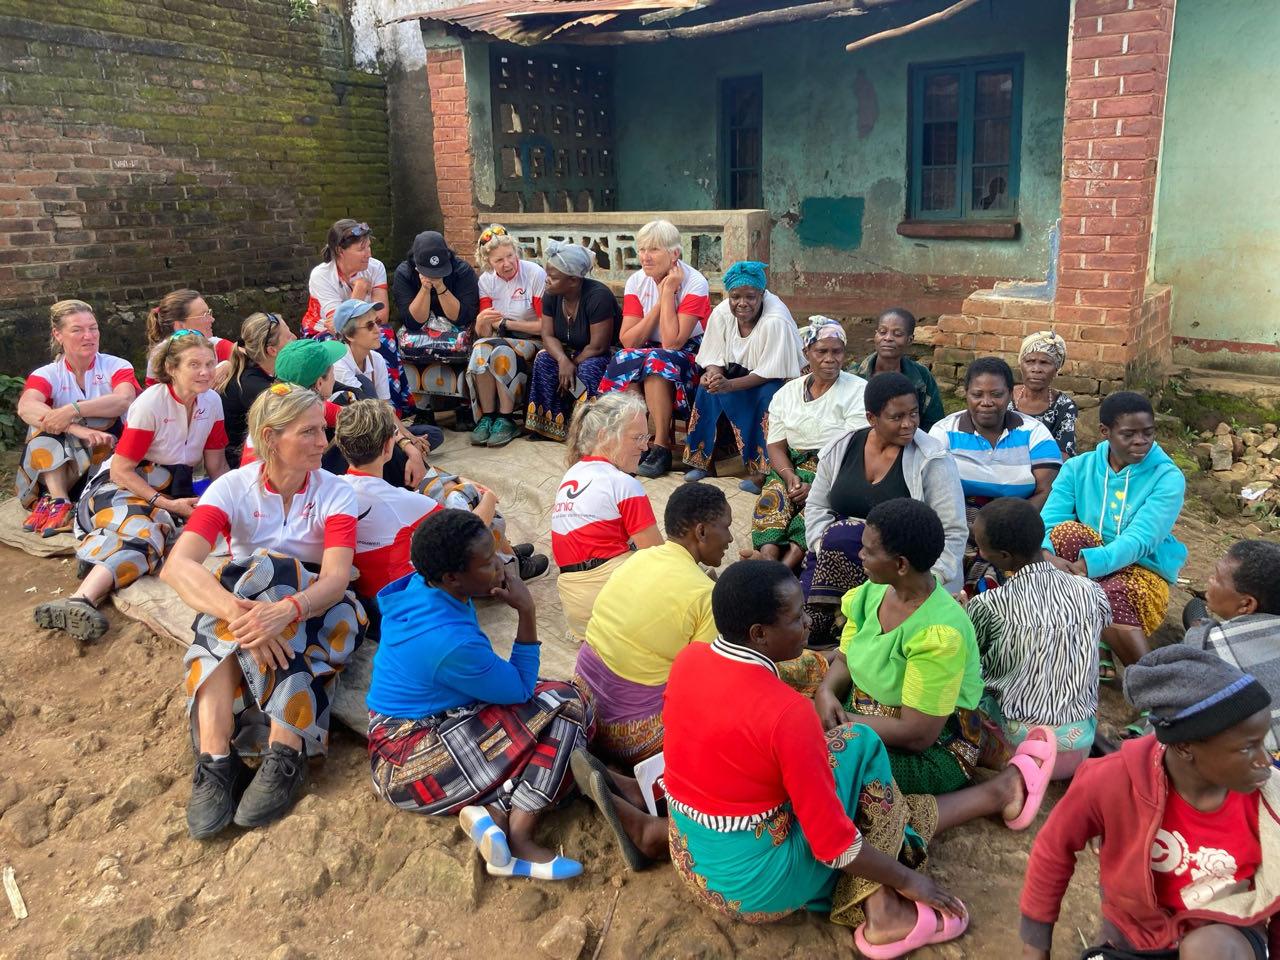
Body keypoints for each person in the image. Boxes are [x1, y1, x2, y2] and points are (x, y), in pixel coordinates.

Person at [664, 559, 1054, 955]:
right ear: (759, 633)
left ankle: (995, 795)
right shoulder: (788, 713)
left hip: (692, 857)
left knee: (852, 789)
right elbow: (832, 846)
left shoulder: (688, 660)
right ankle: (884, 908)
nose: (808, 624)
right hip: (759, 888)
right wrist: (907, 880)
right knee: (859, 742)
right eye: (797, 618)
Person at [160, 384, 366, 839]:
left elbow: (336, 578)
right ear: (271, 437)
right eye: (308, 432)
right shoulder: (232, 487)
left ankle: (282, 749)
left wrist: (286, 610)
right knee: (235, 595)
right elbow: (178, 566)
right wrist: (246, 618)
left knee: (275, 572)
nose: (323, 442)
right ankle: (217, 760)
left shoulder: (335, 491)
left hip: (320, 606)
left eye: (322, 430)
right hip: (247, 610)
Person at [366, 509, 594, 880]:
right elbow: (520, 689)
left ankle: (495, 813)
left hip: (430, 725)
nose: (501, 566)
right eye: (488, 563)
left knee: (562, 709)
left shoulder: (428, 587)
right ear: (452, 577)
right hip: (407, 762)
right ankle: (520, 836)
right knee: (566, 703)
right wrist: (526, 610)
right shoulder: (446, 640)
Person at [1020, 646, 1280, 960]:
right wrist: (1036, 949)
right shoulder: (1111, 781)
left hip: (1228, 937)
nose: (1265, 761)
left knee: (1207, 948)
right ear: (1185, 747)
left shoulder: (1269, 804)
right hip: (1134, 938)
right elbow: (1053, 849)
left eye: (1263, 744)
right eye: (1248, 748)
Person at [33, 332, 229, 641]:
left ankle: (100, 559)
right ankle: (80, 599)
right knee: (149, 532)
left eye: (209, 363)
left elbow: (217, 466)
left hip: (172, 491)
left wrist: (233, 502)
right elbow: (121, 471)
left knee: (171, 534)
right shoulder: (151, 403)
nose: (205, 372)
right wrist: (167, 505)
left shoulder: (212, 402)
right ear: (172, 368)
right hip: (120, 487)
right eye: (194, 365)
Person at [815, 499, 990, 796]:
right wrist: (826, 692)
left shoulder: (940, 633)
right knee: (776, 685)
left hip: (930, 748)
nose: (860, 555)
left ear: (900, 565)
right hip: (860, 714)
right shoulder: (873, 592)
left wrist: (838, 723)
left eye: (868, 551)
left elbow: (917, 734)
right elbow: (844, 659)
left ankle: (990, 795)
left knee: (827, 764)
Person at [801, 372, 966, 648]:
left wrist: (929, 580)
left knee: (878, 637)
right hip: (832, 560)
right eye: (896, 417)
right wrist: (824, 547)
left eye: (914, 414)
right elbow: (817, 506)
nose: (908, 424)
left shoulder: (932, 459)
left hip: (902, 570)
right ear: (871, 418)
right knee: (801, 626)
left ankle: (849, 639)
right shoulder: (841, 448)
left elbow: (953, 530)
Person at [334, 399, 547, 607]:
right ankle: (508, 571)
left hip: (370, 593)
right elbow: (470, 531)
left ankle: (506, 554)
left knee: (448, 491)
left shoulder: (337, 487)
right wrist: (489, 497)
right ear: (388, 446)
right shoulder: (399, 500)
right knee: (466, 498)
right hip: (406, 597)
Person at [968, 497, 1112, 780]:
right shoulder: (1090, 590)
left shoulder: (991, 605)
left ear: (1004, 556)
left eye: (981, 546)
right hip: (1076, 747)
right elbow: (1098, 626)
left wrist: (961, 618)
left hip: (1014, 751)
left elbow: (970, 656)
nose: (979, 551)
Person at [1041, 391, 1187, 670]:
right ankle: (1096, 645)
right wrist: (1047, 556)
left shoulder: (1167, 477)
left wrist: (1086, 566)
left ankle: (1150, 683)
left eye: (1148, 433)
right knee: (1065, 534)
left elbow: (1142, 539)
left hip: (1142, 567)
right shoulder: (1077, 468)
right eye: (1128, 434)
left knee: (1108, 595)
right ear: (1104, 431)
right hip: (1086, 563)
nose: (1140, 441)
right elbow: (1049, 521)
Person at [930, 356, 1062, 592]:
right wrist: (969, 529)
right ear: (966, 394)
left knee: (1010, 572)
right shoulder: (943, 433)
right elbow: (933, 491)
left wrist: (1002, 530)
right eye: (977, 394)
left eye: (996, 394)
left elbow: (1046, 490)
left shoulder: (1034, 432)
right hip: (958, 520)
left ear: (1010, 394)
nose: (986, 402)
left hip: (1017, 522)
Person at [750, 317, 868, 571]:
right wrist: (789, 476)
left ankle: (782, 571)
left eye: (837, 351)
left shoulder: (858, 391)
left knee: (814, 512)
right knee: (772, 499)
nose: (830, 358)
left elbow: (855, 448)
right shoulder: (787, 393)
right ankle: (768, 561)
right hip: (790, 464)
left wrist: (816, 486)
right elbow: (776, 445)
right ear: (806, 354)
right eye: (821, 351)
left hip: (836, 468)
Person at [600, 219, 711, 478]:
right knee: (625, 357)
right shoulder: (637, 281)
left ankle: (661, 446)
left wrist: (669, 291)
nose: (645, 257)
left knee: (657, 360)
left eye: (654, 250)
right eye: (641, 249)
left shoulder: (695, 282)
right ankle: (635, 440)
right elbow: (629, 341)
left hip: (690, 354)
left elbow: (673, 343)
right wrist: (660, 303)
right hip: (649, 350)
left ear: (674, 254)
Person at [16, 300, 138, 538]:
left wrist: (72, 410)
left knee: (95, 422)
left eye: (93, 328)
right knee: (42, 423)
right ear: (58, 334)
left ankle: (53, 500)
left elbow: (123, 399)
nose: (88, 336)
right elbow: (25, 407)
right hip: (62, 467)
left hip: (108, 459)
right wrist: (73, 427)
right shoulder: (48, 373)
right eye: (77, 330)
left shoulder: (116, 365)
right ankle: (60, 500)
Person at [682, 261, 804, 493]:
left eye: (750, 297)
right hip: (739, 372)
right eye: (735, 297)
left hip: (777, 377)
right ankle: (703, 462)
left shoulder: (775, 320)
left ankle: (762, 473)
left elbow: (770, 371)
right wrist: (713, 376)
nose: (742, 303)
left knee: (766, 397)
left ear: (762, 294)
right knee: (707, 390)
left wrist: (729, 385)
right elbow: (714, 355)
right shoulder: (722, 313)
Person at [552, 392, 663, 643]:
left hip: (577, 611)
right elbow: (658, 557)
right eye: (637, 437)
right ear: (604, 436)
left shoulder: (571, 474)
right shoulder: (623, 484)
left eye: (646, 437)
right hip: (612, 602)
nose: (645, 446)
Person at [301, 217, 411, 416]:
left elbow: (382, 316)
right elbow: (340, 326)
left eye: (369, 247)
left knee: (384, 336)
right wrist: (360, 290)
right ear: (340, 251)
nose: (368, 254)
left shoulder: (376, 267)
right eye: (361, 249)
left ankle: (392, 409)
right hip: (321, 331)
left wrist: (348, 318)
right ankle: (352, 405)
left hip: (362, 326)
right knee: (335, 345)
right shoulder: (321, 275)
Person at [1185, 540, 1280, 758]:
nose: (1210, 580)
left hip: (1252, 766)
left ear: (1246, 604)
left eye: (1217, 578)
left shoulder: (1207, 641)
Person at [525, 241, 620, 442]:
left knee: (588, 368)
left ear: (574, 280)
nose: (547, 280)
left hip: (602, 354)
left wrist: (572, 364)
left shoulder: (598, 296)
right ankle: (551, 426)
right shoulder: (551, 294)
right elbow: (547, 335)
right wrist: (563, 361)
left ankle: (586, 430)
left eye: (553, 277)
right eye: (547, 274)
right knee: (544, 360)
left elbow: (599, 346)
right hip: (569, 352)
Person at [331, 298, 442, 460]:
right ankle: (400, 454)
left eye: (377, 322)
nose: (378, 330)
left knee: (433, 434)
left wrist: (409, 437)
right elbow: (366, 416)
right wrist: (404, 442)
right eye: (369, 326)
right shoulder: (340, 364)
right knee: (391, 448)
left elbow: (385, 408)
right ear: (349, 335)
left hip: (378, 425)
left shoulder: (376, 359)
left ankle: (401, 453)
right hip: (358, 432)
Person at [466, 224, 545, 448]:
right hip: (499, 338)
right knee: (481, 347)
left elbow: (545, 326)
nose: (507, 263)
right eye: (499, 260)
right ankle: (488, 416)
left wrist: (507, 324)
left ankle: (506, 417)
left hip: (533, 339)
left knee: (499, 350)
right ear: (488, 262)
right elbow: (485, 333)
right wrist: (481, 322)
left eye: (510, 256)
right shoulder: (486, 281)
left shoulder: (534, 274)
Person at [392, 230, 481, 427]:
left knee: (463, 342)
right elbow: (413, 320)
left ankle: (464, 407)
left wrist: (440, 287)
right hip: (420, 329)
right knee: (410, 343)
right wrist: (425, 288)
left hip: (455, 327)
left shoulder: (462, 271)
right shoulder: (404, 273)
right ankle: (423, 409)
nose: (434, 274)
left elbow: (462, 316)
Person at [219, 311, 296, 467]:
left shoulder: (267, 372)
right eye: (288, 336)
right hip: (244, 464)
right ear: (272, 350)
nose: (295, 337)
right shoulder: (251, 385)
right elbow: (298, 406)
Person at [851, 308, 945, 431]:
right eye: (882, 332)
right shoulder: (854, 376)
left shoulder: (921, 376)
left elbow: (934, 425)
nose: (888, 338)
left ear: (910, 340)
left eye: (897, 334)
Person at [144, 289, 234, 386]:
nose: (212, 319)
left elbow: (244, 357)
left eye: (209, 313)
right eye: (204, 315)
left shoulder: (216, 344)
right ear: (180, 326)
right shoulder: (160, 355)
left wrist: (229, 365)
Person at [1011, 330, 1078, 458]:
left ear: (1056, 369)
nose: (1036, 369)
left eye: (1044, 363)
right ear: (1021, 365)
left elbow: (1064, 453)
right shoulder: (1004, 397)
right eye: (1030, 361)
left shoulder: (1064, 407)